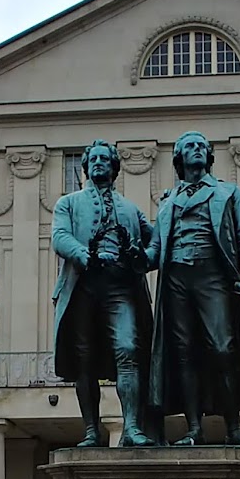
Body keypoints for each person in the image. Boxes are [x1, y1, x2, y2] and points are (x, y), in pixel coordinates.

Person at [146, 131, 240, 446]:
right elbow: (155, 251)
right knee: (184, 352)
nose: (197, 149)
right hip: (176, 280)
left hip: (213, 276)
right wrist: (132, 255)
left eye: (202, 146)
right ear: (179, 157)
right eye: (190, 146)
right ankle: (193, 428)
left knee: (222, 348)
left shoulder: (228, 193)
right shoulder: (167, 201)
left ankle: (233, 427)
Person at [52, 140, 155, 447]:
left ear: (114, 167)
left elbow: (155, 244)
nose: (99, 162)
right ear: (86, 167)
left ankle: (132, 428)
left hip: (120, 288)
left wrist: (141, 256)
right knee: (84, 360)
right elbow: (60, 236)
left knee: (128, 349)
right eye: (94, 159)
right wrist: (84, 255)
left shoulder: (131, 209)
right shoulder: (68, 203)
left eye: (105, 159)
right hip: (83, 287)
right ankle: (91, 431)